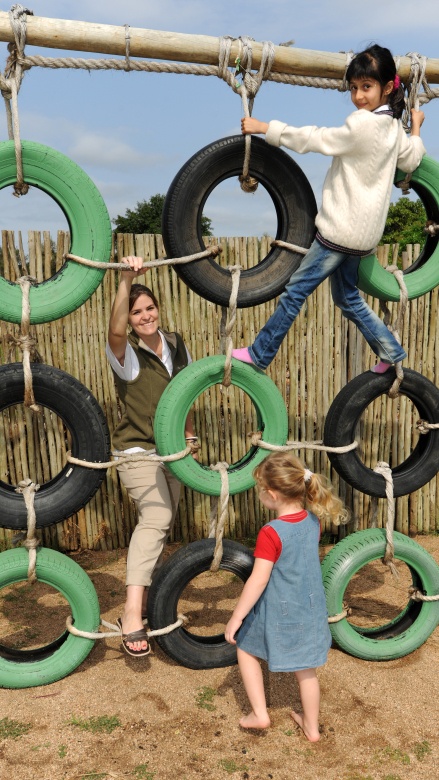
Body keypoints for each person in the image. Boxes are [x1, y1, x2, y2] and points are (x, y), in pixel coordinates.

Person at [232, 44, 426, 373]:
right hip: (364, 238)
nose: (359, 96)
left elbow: (318, 138)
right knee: (347, 298)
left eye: (367, 87)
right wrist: (417, 126)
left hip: (339, 232)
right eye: (353, 88)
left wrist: (267, 129)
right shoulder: (394, 128)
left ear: (388, 87)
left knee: (295, 291)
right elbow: (412, 157)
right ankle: (390, 350)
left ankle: (261, 354)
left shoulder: (363, 125)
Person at [106, 256, 196, 657]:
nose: (145, 316)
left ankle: (144, 603)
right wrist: (126, 280)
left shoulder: (175, 343)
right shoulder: (124, 354)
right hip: (137, 450)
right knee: (156, 517)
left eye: (149, 308)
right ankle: (131, 615)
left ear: (158, 308)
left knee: (163, 522)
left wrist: (190, 432)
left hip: (172, 449)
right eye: (136, 311)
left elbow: (187, 389)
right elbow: (114, 329)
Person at [224, 451, 348, 739]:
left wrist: (236, 616)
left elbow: (258, 580)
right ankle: (313, 728)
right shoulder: (312, 522)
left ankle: (259, 714)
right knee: (307, 670)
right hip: (309, 608)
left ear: (271, 495)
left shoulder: (271, 533)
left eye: (260, 491)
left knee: (245, 648)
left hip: (280, 612)